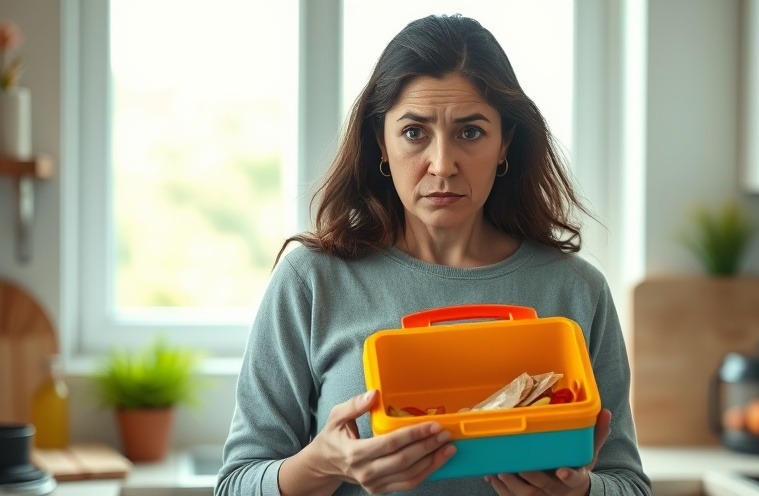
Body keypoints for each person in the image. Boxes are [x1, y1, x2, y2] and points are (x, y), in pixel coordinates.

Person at [215, 14, 651, 496]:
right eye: (414, 132)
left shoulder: (577, 290)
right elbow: (236, 484)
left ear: (505, 143)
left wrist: (582, 493)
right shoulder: (312, 280)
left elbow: (628, 484)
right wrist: (322, 465)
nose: (442, 165)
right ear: (379, 141)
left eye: (470, 133)